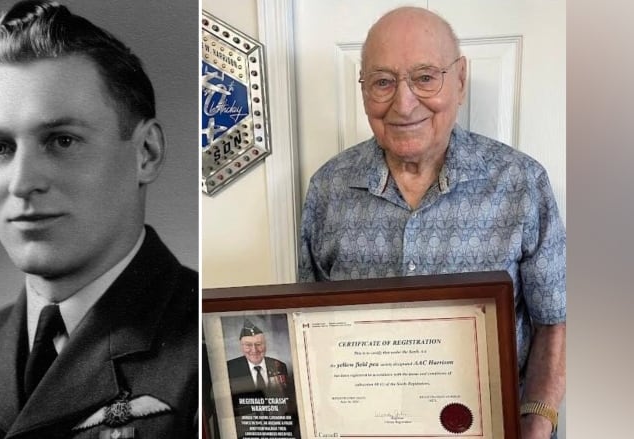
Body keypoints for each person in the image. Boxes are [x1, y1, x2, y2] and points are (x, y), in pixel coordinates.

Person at [299, 7, 565, 439]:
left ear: (460, 79)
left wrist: (535, 424)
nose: (404, 104)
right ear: (363, 88)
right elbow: (311, 329)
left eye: (425, 78)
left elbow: (553, 321)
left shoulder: (520, 183)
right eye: (383, 82)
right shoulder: (328, 189)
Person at [0, 2, 197, 438]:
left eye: (61, 141)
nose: (22, 183)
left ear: (145, 154)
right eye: (0, 147)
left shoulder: (204, 347)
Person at [226, 319, 290, 399]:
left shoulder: (280, 366)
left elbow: (286, 398)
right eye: (248, 345)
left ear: (265, 345)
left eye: (258, 344)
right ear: (241, 347)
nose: (254, 350)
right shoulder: (229, 368)